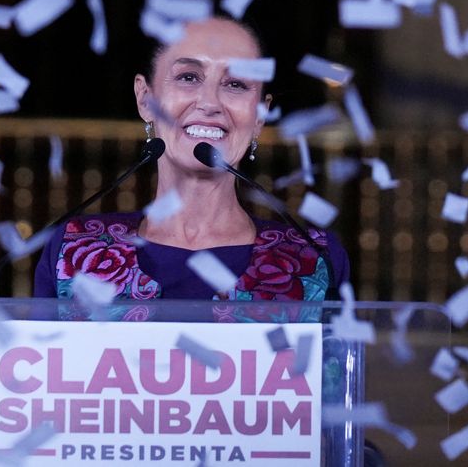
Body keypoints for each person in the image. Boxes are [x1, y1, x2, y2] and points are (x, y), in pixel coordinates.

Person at [34, 17, 349, 301]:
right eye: (188, 77)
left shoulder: (316, 260)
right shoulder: (72, 251)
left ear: (259, 115)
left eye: (236, 83)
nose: (210, 102)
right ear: (146, 99)